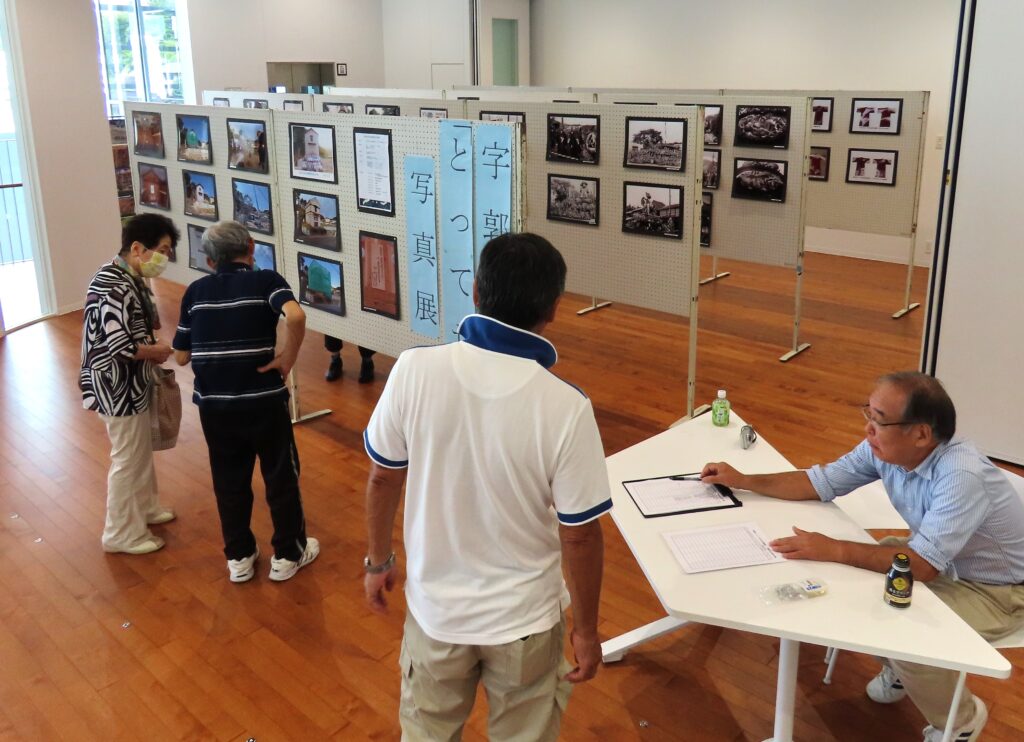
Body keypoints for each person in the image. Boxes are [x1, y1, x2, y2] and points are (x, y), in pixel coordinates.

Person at [362, 232, 611, 740]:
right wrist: (586, 631)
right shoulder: (566, 406)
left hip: (436, 615)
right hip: (525, 622)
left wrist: (378, 561)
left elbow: (383, 476)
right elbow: (580, 535)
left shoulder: (413, 369)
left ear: (475, 291)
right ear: (555, 309)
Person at [701, 372, 1024, 742]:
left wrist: (835, 549)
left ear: (921, 434)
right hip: (940, 562)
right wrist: (744, 479)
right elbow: (819, 482)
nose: (869, 429)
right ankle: (906, 671)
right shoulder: (887, 448)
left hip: (998, 591)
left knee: (905, 632)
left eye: (880, 420)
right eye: (867, 414)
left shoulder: (960, 475)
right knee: (862, 591)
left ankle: (962, 720)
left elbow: (920, 566)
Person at [172, 220, 319, 583]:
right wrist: (287, 357)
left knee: (229, 480)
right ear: (251, 248)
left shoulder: (195, 292)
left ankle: (239, 556)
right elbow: (296, 315)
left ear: (209, 261)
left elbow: (180, 356)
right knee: (281, 475)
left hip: (215, 407)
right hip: (264, 402)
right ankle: (288, 554)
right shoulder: (266, 280)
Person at [80, 213, 178, 554]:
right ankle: (120, 533)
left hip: (128, 383)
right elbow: (121, 346)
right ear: (137, 248)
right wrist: (159, 350)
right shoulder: (114, 286)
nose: (164, 258)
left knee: (139, 451)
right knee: (128, 457)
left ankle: (146, 507)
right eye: (162, 250)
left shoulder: (126, 278)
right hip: (117, 386)